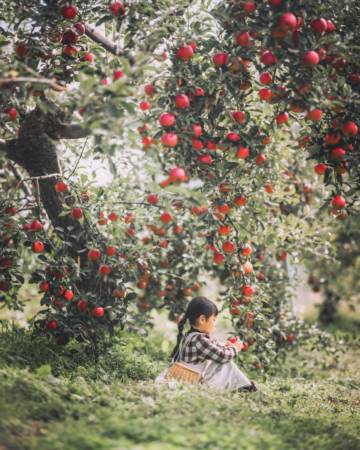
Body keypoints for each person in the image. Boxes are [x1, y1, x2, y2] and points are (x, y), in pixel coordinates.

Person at [155, 296, 257, 392]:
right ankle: (243, 386)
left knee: (221, 361)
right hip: (192, 380)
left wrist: (226, 346)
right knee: (225, 363)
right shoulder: (199, 339)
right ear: (202, 319)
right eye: (213, 320)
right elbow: (222, 356)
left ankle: (243, 385)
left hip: (191, 376)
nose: (214, 324)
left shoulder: (190, 336)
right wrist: (235, 348)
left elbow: (213, 347)